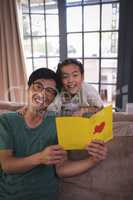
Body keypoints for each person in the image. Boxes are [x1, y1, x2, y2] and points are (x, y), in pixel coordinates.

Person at [0, 68, 107, 200]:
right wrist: (40, 158)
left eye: (50, 91)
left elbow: (61, 169)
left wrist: (93, 160)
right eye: (38, 87)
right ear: (28, 89)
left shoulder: (58, 122)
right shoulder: (7, 120)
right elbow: (7, 165)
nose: (42, 94)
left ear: (53, 98)